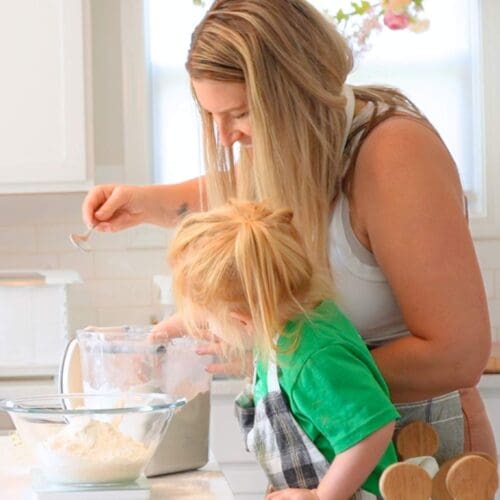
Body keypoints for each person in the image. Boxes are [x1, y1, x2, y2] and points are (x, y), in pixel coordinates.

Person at [82, 0, 495, 461]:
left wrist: (279, 359)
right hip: (336, 447)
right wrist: (144, 203)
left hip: (417, 452)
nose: (224, 138)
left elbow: (457, 354)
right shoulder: (292, 144)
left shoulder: (395, 155)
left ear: (296, 90)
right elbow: (237, 189)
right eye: (210, 117)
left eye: (238, 114)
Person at [169, 199, 399, 499]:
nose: (210, 330)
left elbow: (373, 429)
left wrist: (321, 495)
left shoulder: (314, 357)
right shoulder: (289, 323)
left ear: (243, 320)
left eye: (209, 321)